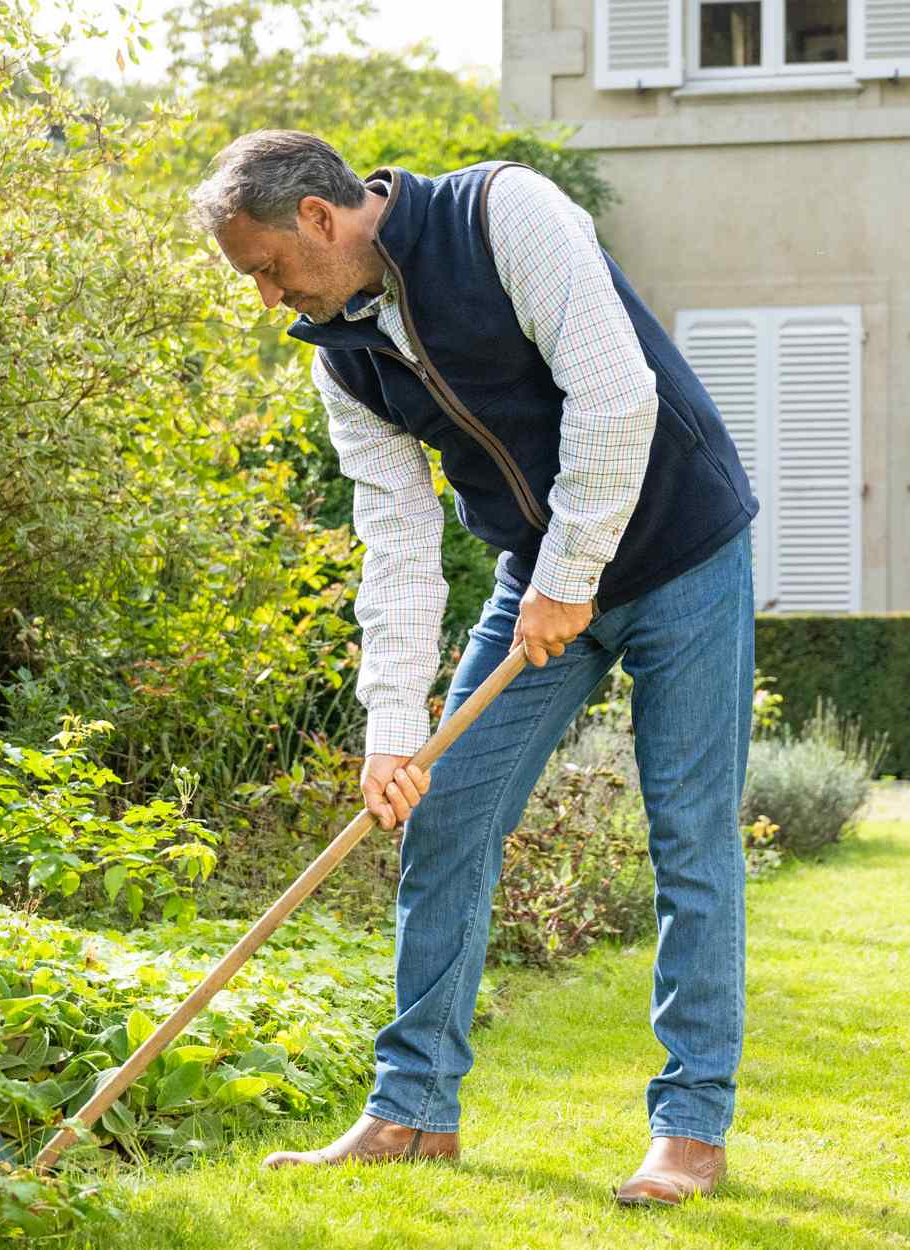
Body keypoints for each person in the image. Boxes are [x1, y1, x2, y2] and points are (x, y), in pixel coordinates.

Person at [189, 129, 758, 1207]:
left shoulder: (506, 213)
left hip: (680, 546)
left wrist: (575, 569)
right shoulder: (338, 351)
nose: (265, 296)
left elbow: (614, 393)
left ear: (318, 216)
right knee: (442, 816)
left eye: (265, 266)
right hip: (538, 577)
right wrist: (391, 729)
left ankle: (688, 1126)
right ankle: (411, 1112)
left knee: (689, 835)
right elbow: (395, 536)